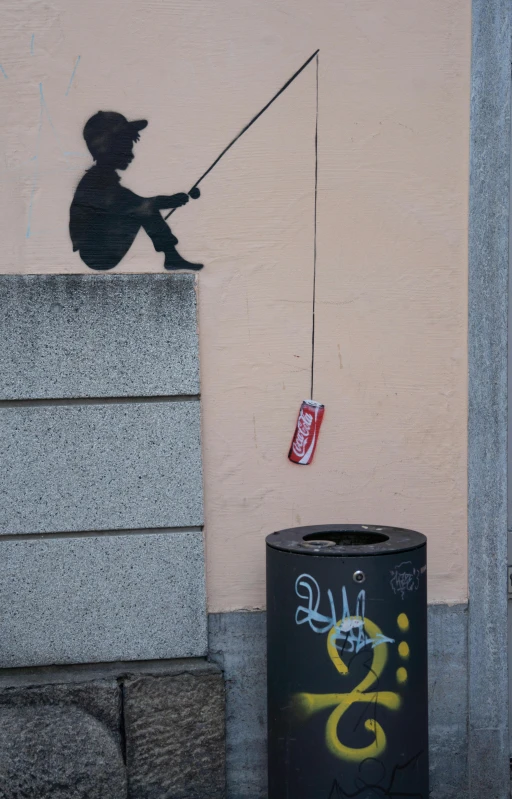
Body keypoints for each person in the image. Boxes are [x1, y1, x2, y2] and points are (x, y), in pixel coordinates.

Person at [69, 111, 202, 271]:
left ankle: (172, 257)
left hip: (99, 250)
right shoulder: (98, 181)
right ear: (108, 149)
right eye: (125, 148)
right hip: (98, 255)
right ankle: (171, 257)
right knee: (144, 209)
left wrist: (162, 202)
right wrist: (166, 201)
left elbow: (127, 201)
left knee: (144, 207)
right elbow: (131, 202)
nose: (131, 154)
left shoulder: (101, 178)